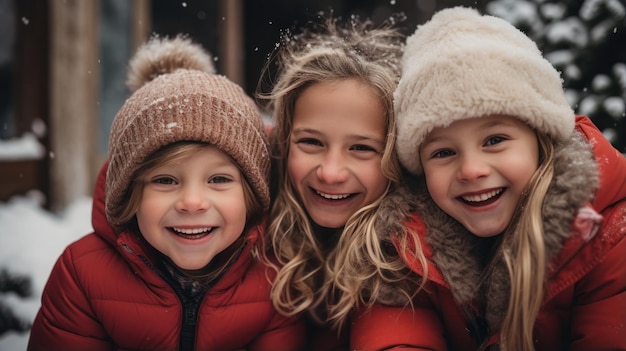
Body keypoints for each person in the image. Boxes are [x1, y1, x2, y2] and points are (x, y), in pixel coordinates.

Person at [349, 7, 626, 351]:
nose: (471, 170)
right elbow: (396, 335)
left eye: (494, 141)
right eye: (443, 153)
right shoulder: (405, 248)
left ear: (542, 142)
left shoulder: (608, 234)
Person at [28, 36, 305, 351]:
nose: (192, 202)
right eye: (164, 180)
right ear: (130, 194)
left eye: (218, 179)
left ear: (252, 193)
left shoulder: (275, 277)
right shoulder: (82, 275)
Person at [255, 16, 412, 350]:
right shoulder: (243, 222)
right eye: (311, 142)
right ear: (284, 144)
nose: (330, 173)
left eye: (361, 148)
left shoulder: (414, 260)